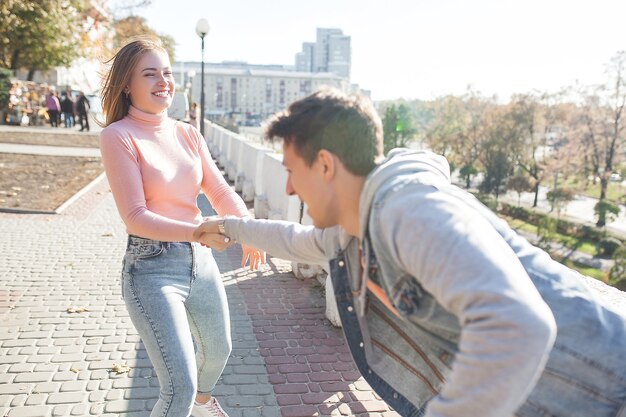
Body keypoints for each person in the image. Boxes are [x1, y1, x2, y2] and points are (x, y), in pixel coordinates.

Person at [195, 88, 626, 417]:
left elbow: (519, 325)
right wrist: (229, 228)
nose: (288, 187)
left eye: (291, 171)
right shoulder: (354, 231)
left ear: (325, 165)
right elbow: (294, 239)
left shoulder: (407, 209)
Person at [99, 37, 265, 417]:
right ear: (127, 84)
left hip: (200, 263)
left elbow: (219, 189)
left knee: (219, 351)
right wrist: (195, 231)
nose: (164, 81)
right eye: (150, 74)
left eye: (168, 73)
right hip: (151, 269)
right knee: (178, 389)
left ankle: (205, 404)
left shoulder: (187, 133)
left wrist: (247, 230)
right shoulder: (118, 136)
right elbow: (135, 216)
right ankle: (192, 401)